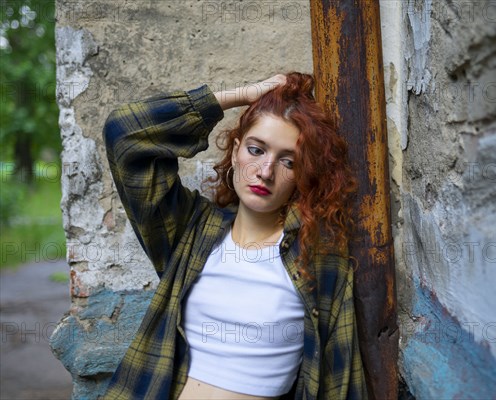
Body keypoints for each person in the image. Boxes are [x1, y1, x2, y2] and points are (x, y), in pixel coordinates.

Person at [101, 72, 367, 399]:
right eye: (256, 150)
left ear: (303, 176)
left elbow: (342, 382)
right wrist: (242, 95)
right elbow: (124, 134)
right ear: (237, 150)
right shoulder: (191, 230)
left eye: (288, 161)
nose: (265, 171)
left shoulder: (318, 260)